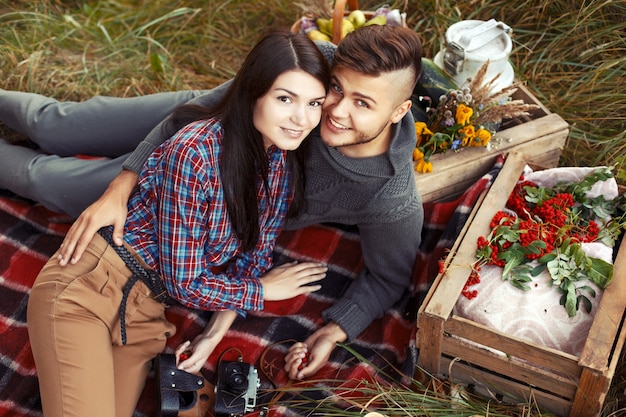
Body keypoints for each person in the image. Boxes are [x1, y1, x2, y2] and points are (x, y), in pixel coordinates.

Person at [2, 24, 423, 380]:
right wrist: (120, 185)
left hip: (199, 189)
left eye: (362, 104)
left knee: (43, 178)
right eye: (334, 89)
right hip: (191, 124)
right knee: (58, 125)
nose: (332, 109)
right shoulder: (320, 61)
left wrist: (335, 330)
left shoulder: (390, 195)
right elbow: (199, 112)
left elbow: (388, 277)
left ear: (399, 111)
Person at [25, 30, 331, 417]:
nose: (301, 119)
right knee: (39, 158)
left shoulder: (281, 167)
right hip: (86, 291)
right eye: (285, 99)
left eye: (315, 103)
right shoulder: (195, 153)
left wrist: (214, 334)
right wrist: (261, 291)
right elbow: (183, 282)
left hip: (145, 317)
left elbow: (249, 260)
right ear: (253, 92)